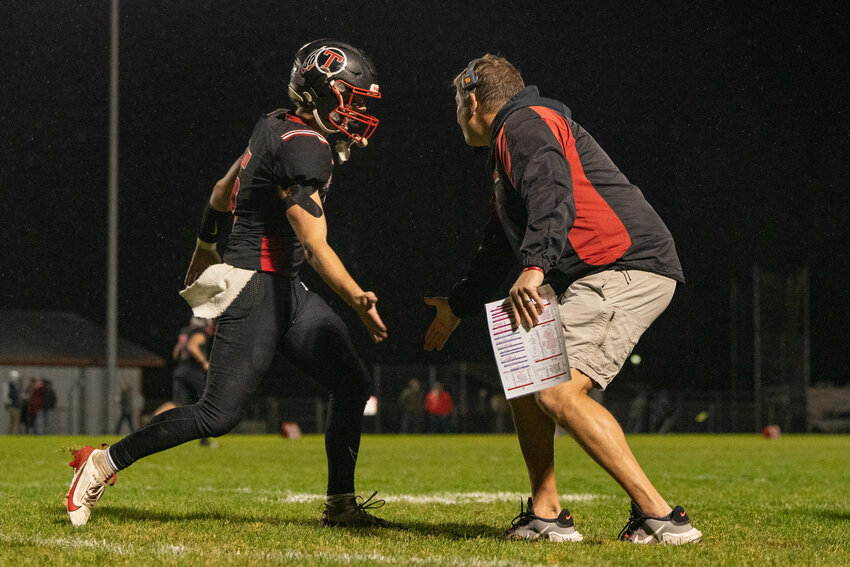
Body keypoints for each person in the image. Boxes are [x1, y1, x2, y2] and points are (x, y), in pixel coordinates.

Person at [65, 39, 395, 529]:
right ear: (317, 91)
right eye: (349, 99)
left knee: (351, 383)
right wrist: (355, 297)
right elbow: (314, 243)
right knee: (216, 415)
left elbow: (223, 191)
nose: (357, 113)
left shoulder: (276, 125)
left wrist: (204, 245)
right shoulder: (305, 146)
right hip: (254, 283)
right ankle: (101, 463)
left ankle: (341, 505)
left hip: (284, 285)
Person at [424, 55, 701, 544]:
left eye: (455, 103)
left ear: (471, 99)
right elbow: (495, 248)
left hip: (626, 266)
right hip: (598, 272)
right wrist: (459, 305)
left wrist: (534, 267)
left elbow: (554, 193)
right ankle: (545, 513)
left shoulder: (524, 124)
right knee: (525, 377)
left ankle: (662, 517)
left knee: (555, 392)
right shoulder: (513, 142)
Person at [171, 316, 215, 446]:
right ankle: (204, 439)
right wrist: (204, 362)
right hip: (193, 372)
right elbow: (192, 346)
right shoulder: (198, 332)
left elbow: (176, 353)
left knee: (179, 405)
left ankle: (154, 421)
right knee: (205, 404)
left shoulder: (185, 331)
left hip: (181, 370)